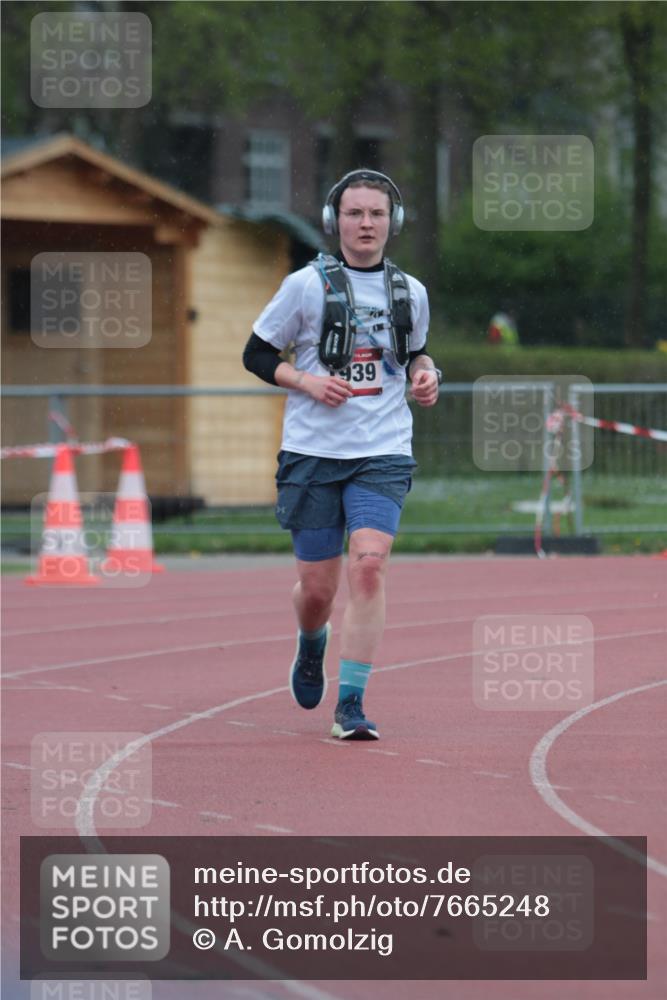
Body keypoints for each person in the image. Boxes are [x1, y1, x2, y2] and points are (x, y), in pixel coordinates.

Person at [242, 168, 440, 740]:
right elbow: (256, 354)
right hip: (312, 452)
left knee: (370, 566)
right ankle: (311, 643)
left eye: (377, 213)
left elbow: (417, 356)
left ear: (393, 222)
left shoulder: (411, 292)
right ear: (335, 221)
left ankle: (350, 704)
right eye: (354, 213)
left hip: (382, 450)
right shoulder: (304, 286)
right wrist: (306, 382)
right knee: (318, 591)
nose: (366, 224)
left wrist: (428, 377)